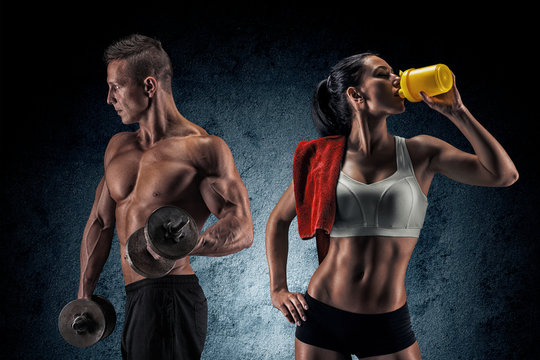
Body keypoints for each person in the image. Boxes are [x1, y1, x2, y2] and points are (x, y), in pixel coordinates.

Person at [265, 53, 518, 359]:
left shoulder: (421, 152)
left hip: (386, 321)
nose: (398, 79)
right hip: (321, 315)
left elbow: (504, 175)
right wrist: (278, 288)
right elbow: (279, 219)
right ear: (356, 95)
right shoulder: (323, 159)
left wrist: (458, 112)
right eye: (383, 75)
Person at [76, 34, 254, 359]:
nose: (108, 98)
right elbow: (101, 222)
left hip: (171, 295)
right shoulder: (118, 147)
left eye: (116, 87)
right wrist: (84, 293)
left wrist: (187, 245)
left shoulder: (202, 149)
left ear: (148, 86)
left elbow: (242, 227)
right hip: (137, 298)